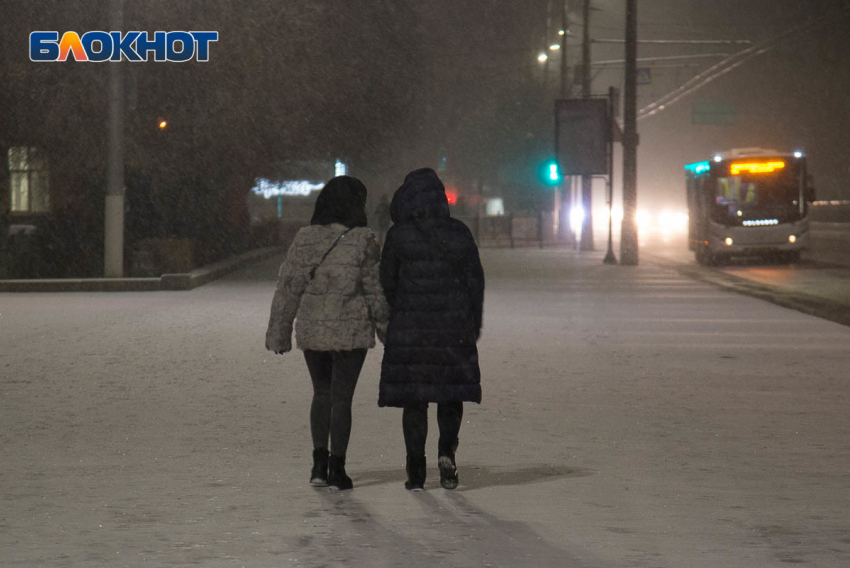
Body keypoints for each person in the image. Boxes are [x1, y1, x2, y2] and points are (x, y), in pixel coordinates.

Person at [265, 176, 389, 491]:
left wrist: (279, 333)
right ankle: (338, 469)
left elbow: (288, 288)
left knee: (321, 394)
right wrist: (388, 331)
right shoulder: (364, 240)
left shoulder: (304, 239)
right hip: (350, 332)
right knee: (341, 399)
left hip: (314, 332)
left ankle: (318, 465)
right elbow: (375, 292)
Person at [378, 168, 485, 491]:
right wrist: (472, 321)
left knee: (415, 399)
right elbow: (474, 282)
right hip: (453, 329)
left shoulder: (398, 236)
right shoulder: (459, 233)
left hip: (411, 331)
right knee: (450, 394)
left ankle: (416, 467)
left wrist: (402, 313)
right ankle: (446, 453)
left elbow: (387, 283)